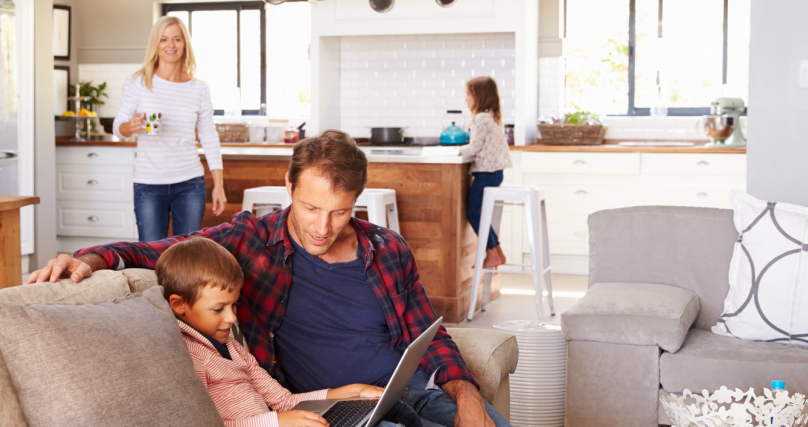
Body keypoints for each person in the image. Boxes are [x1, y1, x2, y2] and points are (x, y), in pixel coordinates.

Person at [27, 130, 511, 427]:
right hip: (331, 410)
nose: (323, 227)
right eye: (311, 208)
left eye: (340, 212)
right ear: (288, 186)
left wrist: (464, 393)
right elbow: (163, 251)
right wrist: (91, 258)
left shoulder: (387, 250)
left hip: (410, 391)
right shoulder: (252, 241)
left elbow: (427, 334)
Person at [159, 236, 423, 427]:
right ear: (179, 304)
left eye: (234, 305)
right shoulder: (186, 356)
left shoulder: (230, 345)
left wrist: (348, 391)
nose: (231, 318)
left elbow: (284, 400)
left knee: (395, 411)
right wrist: (276, 422)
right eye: (218, 309)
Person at [115, 16, 227, 242]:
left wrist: (219, 185)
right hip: (148, 184)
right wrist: (131, 126)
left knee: (185, 257)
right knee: (149, 256)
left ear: (185, 43)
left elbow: (209, 136)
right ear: (156, 44)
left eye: (177, 39)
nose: (171, 45)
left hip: (189, 183)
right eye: (164, 39)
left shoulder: (198, 88)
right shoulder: (137, 82)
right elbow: (118, 128)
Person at [458, 76, 514, 269]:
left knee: (473, 213)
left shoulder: (481, 119)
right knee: (477, 213)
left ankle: (492, 252)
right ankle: (496, 252)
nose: (465, 99)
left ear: (479, 97)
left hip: (486, 174)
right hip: (493, 173)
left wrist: (454, 150)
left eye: (468, 95)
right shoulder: (490, 116)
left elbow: (474, 148)